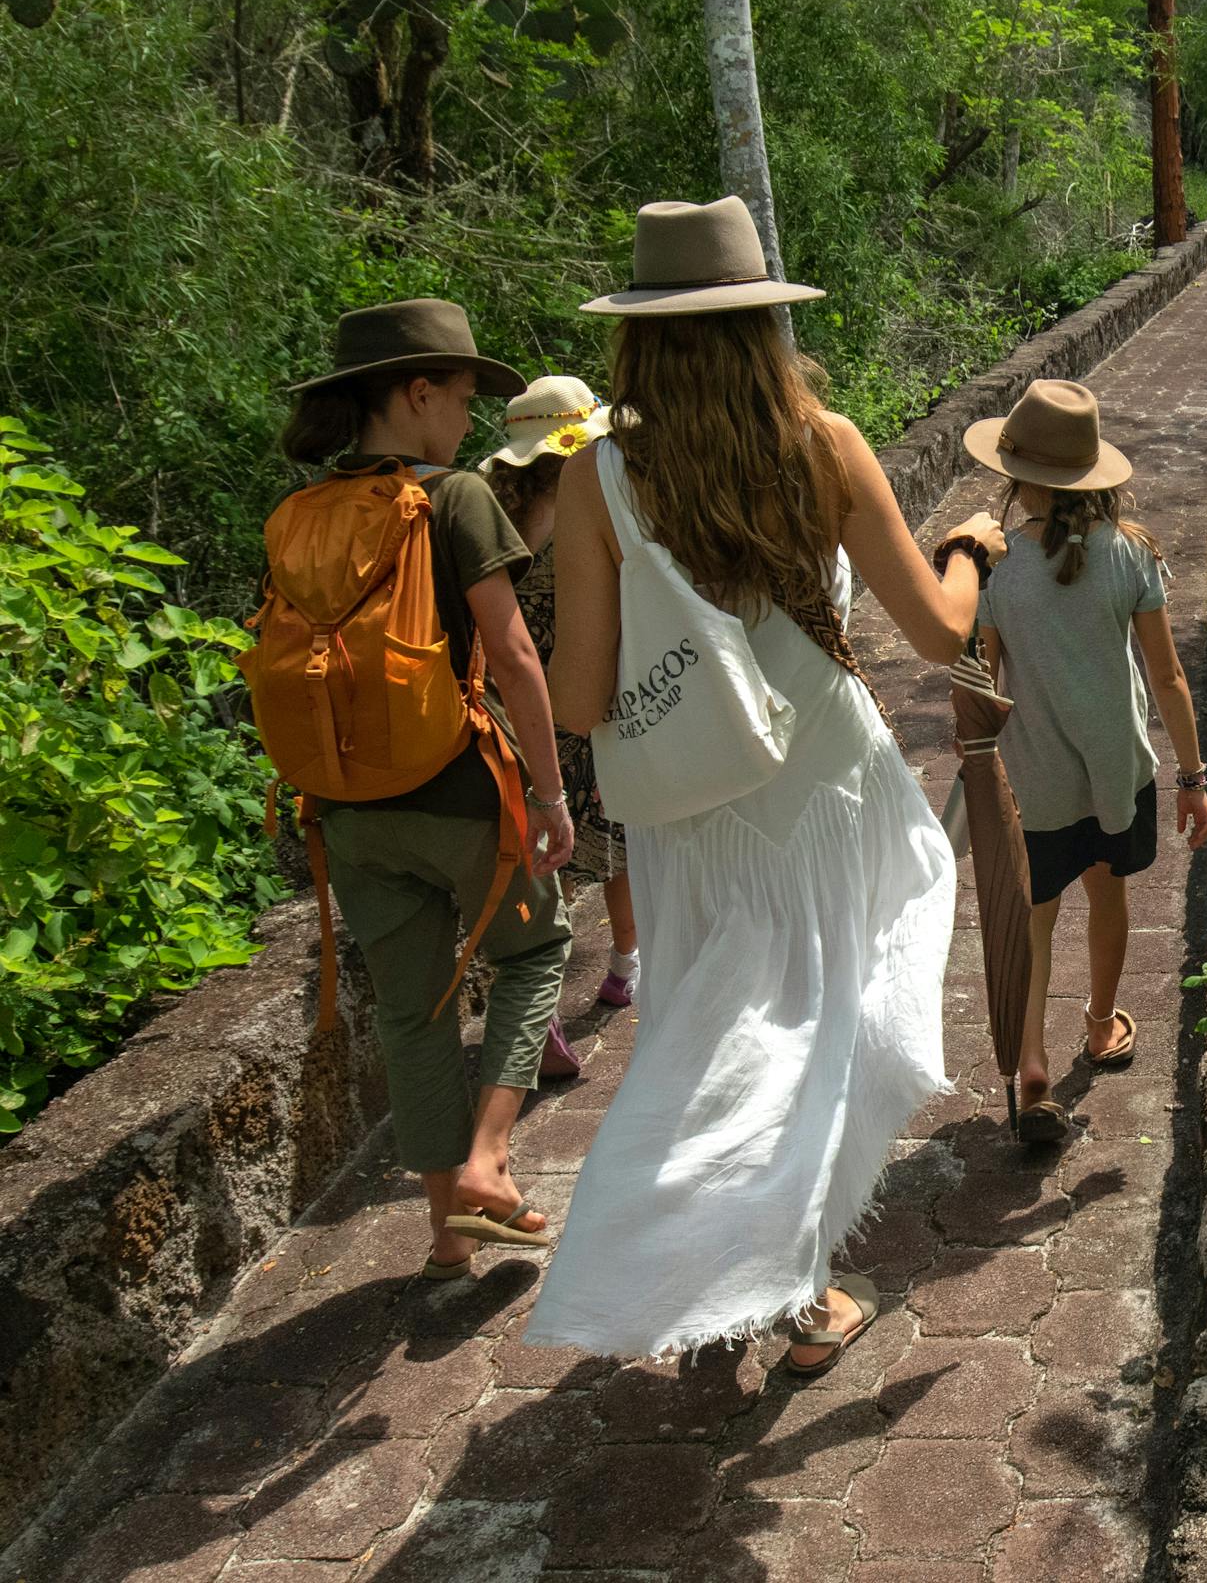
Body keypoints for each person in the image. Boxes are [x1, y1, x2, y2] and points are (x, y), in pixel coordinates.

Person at [523, 197, 1007, 1371]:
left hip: (690, 810)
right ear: (763, 328)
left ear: (637, 335)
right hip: (830, 790)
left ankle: (728, 1275)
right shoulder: (824, 445)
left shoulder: (599, 479)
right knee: (821, 1028)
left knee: (713, 1037)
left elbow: (579, 699)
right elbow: (941, 636)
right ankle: (784, 1288)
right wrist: (972, 550)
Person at [267, 299, 576, 1278]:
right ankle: (488, 1162)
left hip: (347, 812)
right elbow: (514, 654)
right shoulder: (454, 499)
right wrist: (554, 794)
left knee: (413, 1014)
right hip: (457, 791)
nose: (468, 421)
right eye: (458, 397)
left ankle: (448, 1235)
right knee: (537, 952)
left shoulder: (297, 516)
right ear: (414, 392)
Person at [961, 379, 1207, 1143]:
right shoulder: (1131, 554)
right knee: (1109, 896)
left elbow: (986, 681)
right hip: (1118, 771)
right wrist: (1194, 778)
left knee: (1035, 921)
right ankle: (1101, 1026)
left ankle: (1032, 1066)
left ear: (1018, 479)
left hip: (1033, 779)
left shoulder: (998, 569)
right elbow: (1167, 677)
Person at [479, 374, 642, 1085]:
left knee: (542, 862)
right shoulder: (595, 502)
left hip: (507, 715)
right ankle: (624, 967)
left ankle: (539, 1010)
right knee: (615, 842)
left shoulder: (484, 515)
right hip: (585, 702)